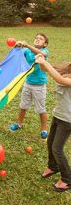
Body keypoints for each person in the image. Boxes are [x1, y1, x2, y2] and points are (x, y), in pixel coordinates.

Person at [36, 56, 71, 192]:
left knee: (57, 148)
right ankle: (53, 166)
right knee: (50, 142)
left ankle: (67, 180)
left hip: (68, 119)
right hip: (58, 115)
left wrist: (45, 62)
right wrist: (40, 62)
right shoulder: (67, 68)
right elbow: (46, 69)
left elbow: (60, 79)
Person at [9, 33, 50, 139]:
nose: (37, 39)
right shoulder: (27, 51)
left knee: (41, 109)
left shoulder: (44, 52)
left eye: (40, 39)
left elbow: (41, 54)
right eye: (36, 38)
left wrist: (27, 45)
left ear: (45, 44)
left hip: (39, 86)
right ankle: (19, 124)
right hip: (28, 83)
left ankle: (44, 130)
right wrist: (17, 46)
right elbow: (17, 54)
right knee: (23, 106)